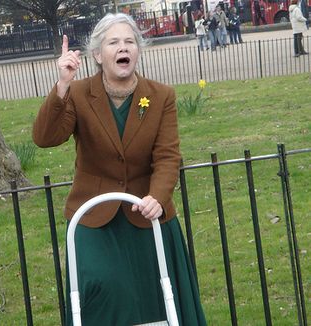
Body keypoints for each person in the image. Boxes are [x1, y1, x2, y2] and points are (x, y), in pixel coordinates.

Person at [33, 12, 207, 326]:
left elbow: (168, 156)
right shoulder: (78, 93)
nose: (122, 47)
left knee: (157, 298)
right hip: (94, 217)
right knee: (102, 287)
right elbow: (45, 138)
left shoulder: (161, 96)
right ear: (98, 55)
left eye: (129, 41)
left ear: (138, 50)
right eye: (113, 42)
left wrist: (158, 196)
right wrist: (62, 85)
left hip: (147, 214)